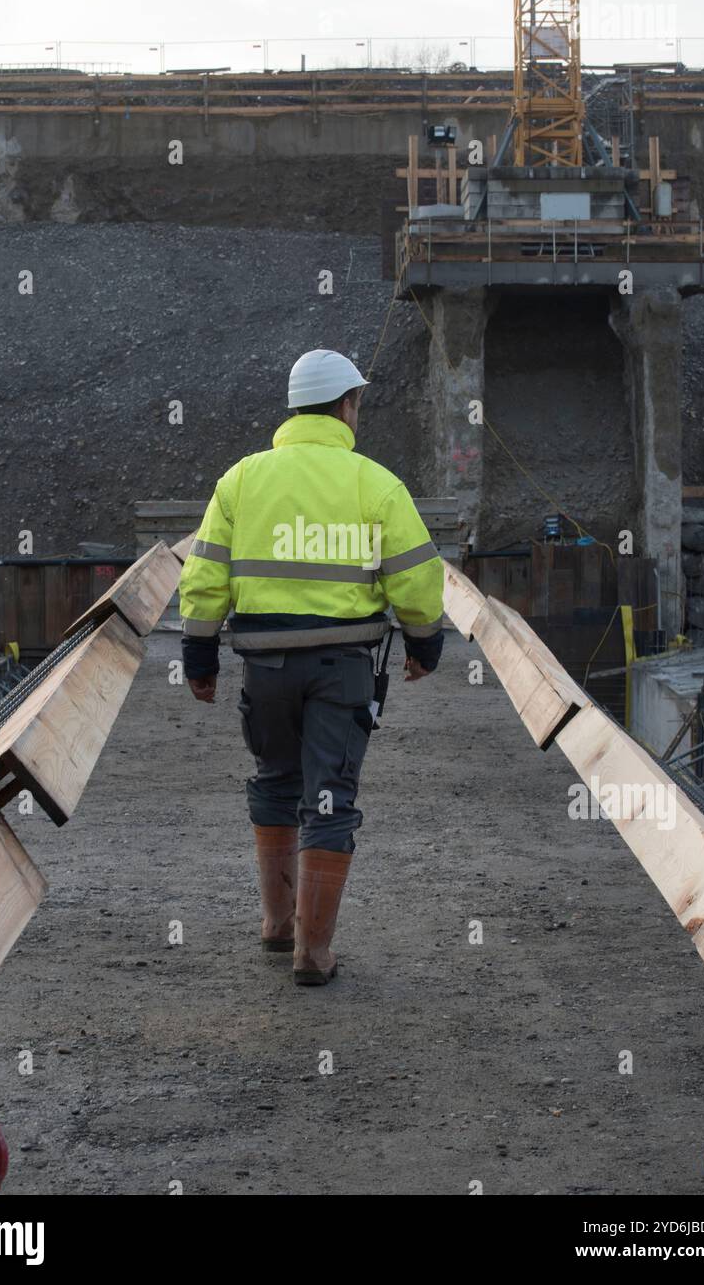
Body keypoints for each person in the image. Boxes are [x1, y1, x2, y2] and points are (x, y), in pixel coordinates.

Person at [179, 349, 444, 985]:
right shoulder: (376, 484)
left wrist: (198, 654)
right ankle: (313, 953)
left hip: (264, 668)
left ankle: (277, 926)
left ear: (294, 409)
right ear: (347, 406)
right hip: (342, 666)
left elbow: (205, 574)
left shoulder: (240, 480)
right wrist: (424, 645)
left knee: (275, 778)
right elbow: (416, 578)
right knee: (329, 797)